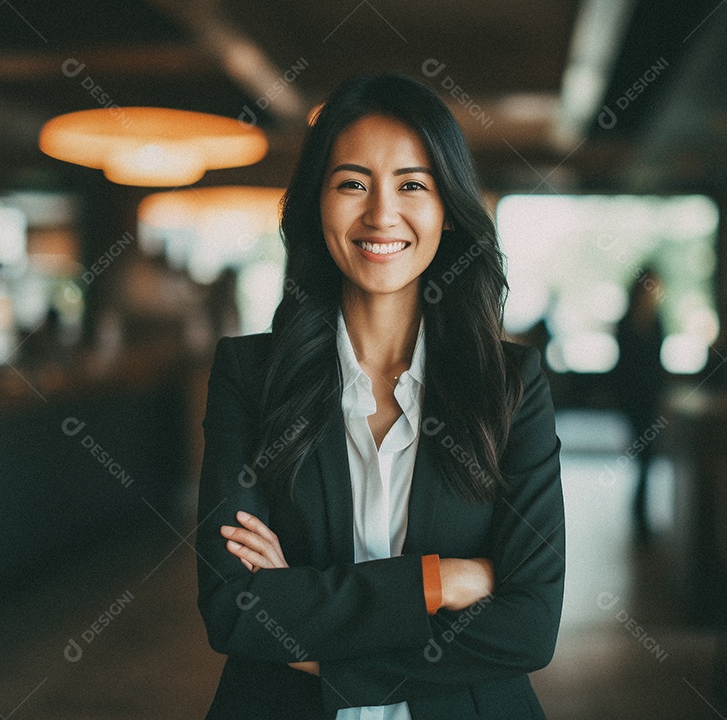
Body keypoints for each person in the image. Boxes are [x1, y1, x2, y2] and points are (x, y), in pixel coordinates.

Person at [195, 73, 565, 720]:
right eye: (352, 184)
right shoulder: (249, 375)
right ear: (316, 202)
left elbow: (529, 625)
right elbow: (235, 608)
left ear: (448, 209)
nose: (380, 214)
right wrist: (438, 580)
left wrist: (310, 631)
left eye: (412, 185)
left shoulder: (511, 385)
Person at [612, 269, 665, 541]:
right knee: (644, 457)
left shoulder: (655, 321)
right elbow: (625, 367)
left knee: (646, 459)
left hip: (648, 399)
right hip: (635, 400)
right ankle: (640, 517)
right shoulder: (630, 323)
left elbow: (657, 365)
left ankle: (640, 513)